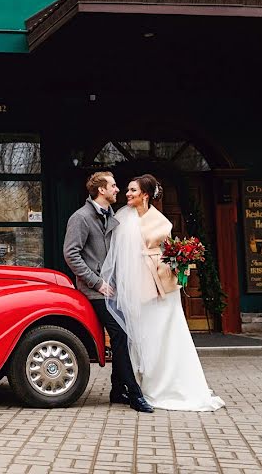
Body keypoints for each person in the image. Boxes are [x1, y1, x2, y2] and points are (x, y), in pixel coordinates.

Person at [102, 174, 225, 411]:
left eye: (133, 190)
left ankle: (169, 385)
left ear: (145, 195)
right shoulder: (120, 219)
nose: (128, 194)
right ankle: (145, 384)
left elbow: (167, 250)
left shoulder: (160, 221)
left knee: (165, 333)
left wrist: (180, 260)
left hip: (160, 284)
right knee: (142, 335)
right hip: (134, 285)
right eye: (127, 190)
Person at [64, 172, 154, 413]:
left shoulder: (112, 215)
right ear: (101, 190)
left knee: (121, 336)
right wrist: (96, 282)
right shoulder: (80, 217)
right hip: (95, 292)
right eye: (113, 186)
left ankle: (117, 390)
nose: (118, 190)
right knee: (121, 334)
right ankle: (135, 394)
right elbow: (71, 254)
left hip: (113, 289)